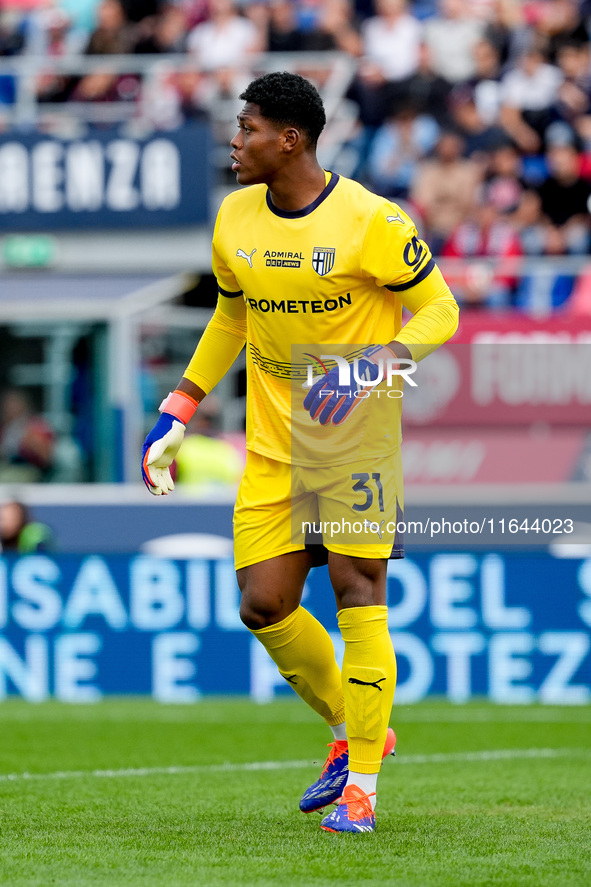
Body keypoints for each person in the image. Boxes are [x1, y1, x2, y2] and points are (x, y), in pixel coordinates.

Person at [142, 72, 459, 833]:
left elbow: (440, 308)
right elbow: (230, 317)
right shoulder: (234, 218)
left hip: (354, 437)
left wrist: (375, 362)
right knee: (264, 603)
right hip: (274, 443)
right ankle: (360, 729)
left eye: (246, 128)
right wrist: (178, 405)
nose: (234, 141)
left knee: (357, 590)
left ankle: (362, 788)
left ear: (290, 138)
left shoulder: (370, 221)